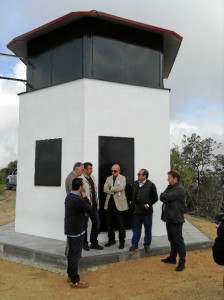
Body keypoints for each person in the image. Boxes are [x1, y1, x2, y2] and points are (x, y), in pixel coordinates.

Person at [64, 177, 93, 288]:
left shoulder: (68, 197)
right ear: (80, 187)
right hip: (77, 230)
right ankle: (75, 281)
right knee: (75, 255)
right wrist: (85, 198)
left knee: (71, 253)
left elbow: (77, 211)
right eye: (82, 185)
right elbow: (89, 210)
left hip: (70, 229)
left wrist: (83, 212)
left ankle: (70, 275)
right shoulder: (79, 199)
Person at [160, 170, 186, 272]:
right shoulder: (170, 187)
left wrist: (165, 196)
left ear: (175, 179)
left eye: (169, 177)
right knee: (171, 239)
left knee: (179, 241)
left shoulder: (179, 190)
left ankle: (182, 262)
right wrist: (165, 196)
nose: (168, 179)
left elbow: (166, 196)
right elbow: (162, 197)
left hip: (176, 219)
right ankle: (172, 258)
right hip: (169, 218)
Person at [129, 168, 158, 253]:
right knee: (136, 229)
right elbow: (132, 195)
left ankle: (147, 245)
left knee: (148, 229)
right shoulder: (135, 184)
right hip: (137, 211)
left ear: (144, 176)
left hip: (147, 213)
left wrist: (148, 204)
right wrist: (131, 201)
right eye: (138, 174)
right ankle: (134, 244)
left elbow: (155, 198)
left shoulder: (151, 185)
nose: (138, 175)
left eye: (139, 174)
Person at [103, 164, 129, 249]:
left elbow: (121, 187)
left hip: (120, 204)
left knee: (121, 225)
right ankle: (111, 240)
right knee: (110, 224)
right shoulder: (108, 178)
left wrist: (111, 188)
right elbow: (104, 189)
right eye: (112, 171)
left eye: (115, 171)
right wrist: (114, 189)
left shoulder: (123, 178)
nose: (113, 172)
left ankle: (122, 242)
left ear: (119, 171)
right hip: (110, 204)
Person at [79, 162, 104, 250]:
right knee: (84, 225)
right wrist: (84, 208)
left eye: (91, 168)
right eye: (89, 168)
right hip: (86, 207)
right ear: (84, 169)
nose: (91, 170)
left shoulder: (92, 178)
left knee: (97, 224)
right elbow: (80, 195)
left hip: (94, 205)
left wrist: (97, 203)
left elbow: (95, 192)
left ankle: (94, 243)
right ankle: (84, 243)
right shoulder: (80, 179)